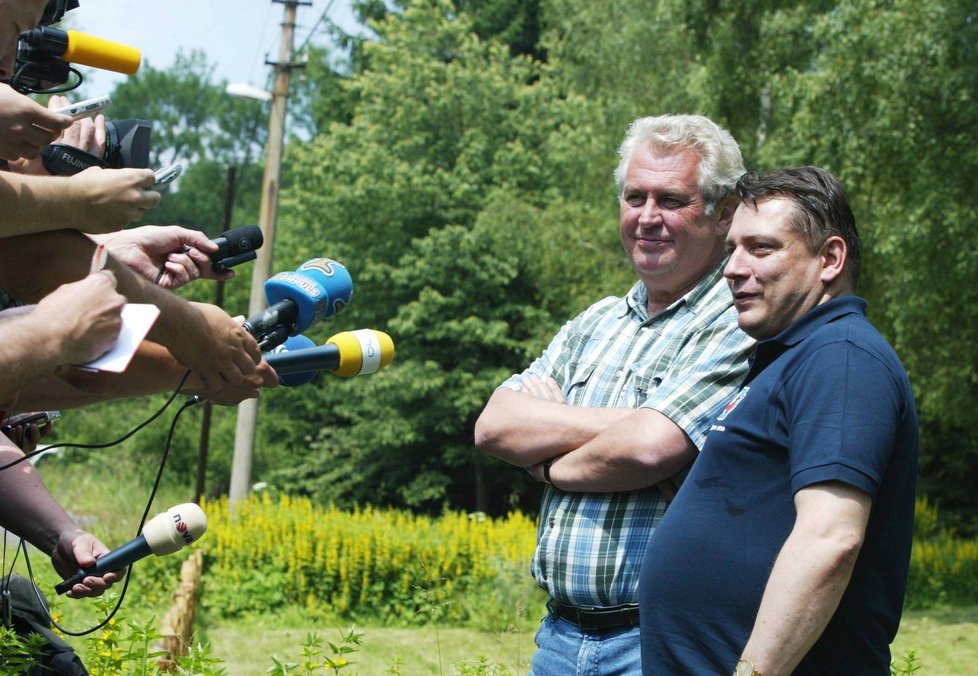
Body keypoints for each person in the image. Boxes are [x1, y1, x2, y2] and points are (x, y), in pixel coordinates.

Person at [474, 114, 755, 674]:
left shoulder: (739, 318)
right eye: (634, 196)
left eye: (671, 199)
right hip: (559, 636)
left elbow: (651, 448)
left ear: (722, 214)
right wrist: (635, 421)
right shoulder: (595, 322)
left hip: (661, 640)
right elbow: (494, 427)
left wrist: (548, 459)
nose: (648, 217)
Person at [638, 167, 918, 675]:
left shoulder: (843, 357)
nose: (732, 268)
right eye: (732, 249)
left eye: (761, 249)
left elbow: (830, 538)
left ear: (829, 259)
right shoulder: (784, 358)